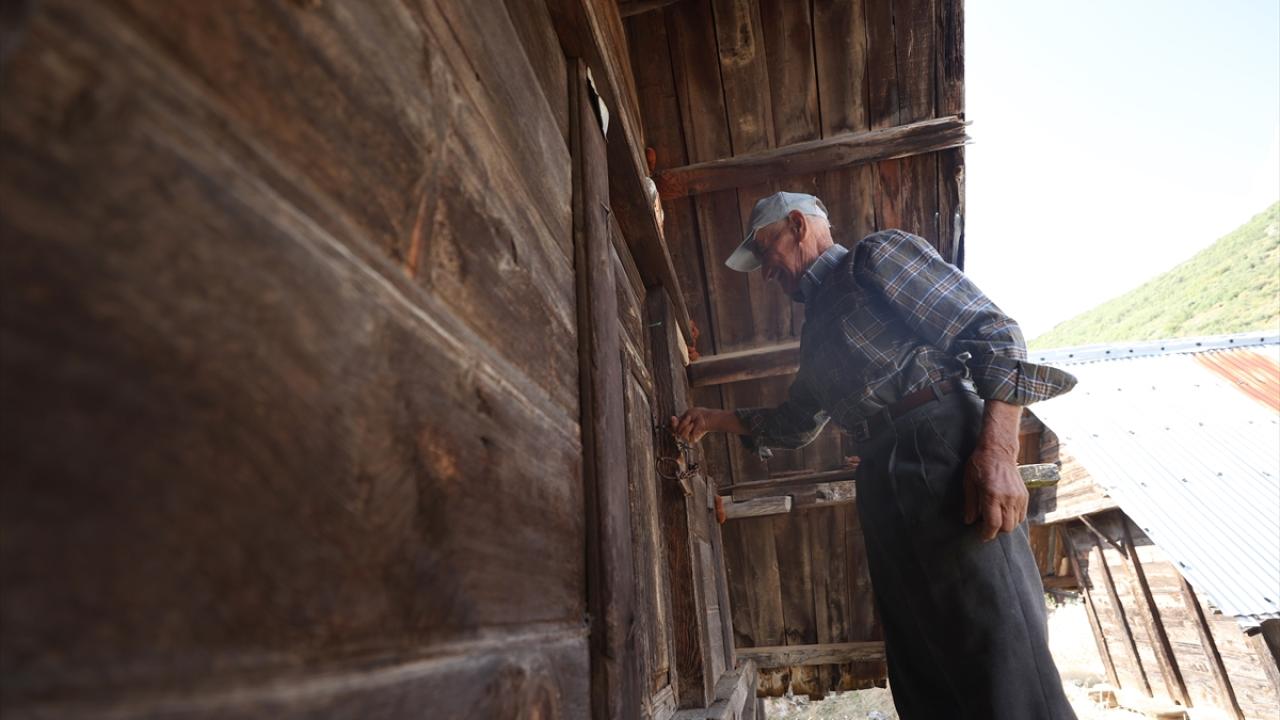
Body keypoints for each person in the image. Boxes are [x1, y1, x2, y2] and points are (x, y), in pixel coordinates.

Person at [672, 192, 1079, 719]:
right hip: (882, 478)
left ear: (797, 225)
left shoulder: (875, 257)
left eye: (764, 251)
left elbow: (995, 334)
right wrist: (715, 418)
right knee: (918, 656)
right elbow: (795, 424)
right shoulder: (815, 332)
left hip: (939, 443)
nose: (764, 274)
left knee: (995, 641)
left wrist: (999, 452)